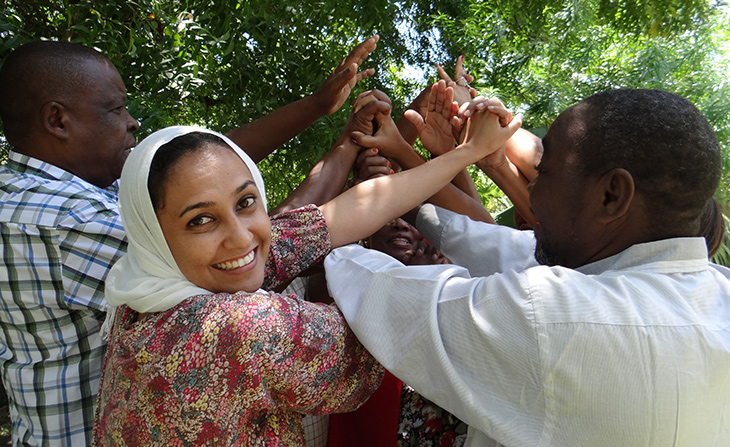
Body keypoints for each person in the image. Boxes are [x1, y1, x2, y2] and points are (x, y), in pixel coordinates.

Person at [0, 36, 377, 446]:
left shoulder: (40, 195)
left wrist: (315, 107)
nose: (132, 121)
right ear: (58, 120)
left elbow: (196, 170)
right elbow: (243, 251)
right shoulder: (67, 222)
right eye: (115, 108)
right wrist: (350, 157)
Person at [92, 105, 520, 445]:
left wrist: (469, 152)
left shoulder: (145, 289)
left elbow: (350, 210)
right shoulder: (231, 328)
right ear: (153, 231)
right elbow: (407, 325)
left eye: (245, 202)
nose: (240, 238)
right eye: (201, 220)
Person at [324, 88, 730, 447]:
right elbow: (494, 243)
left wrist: (296, 234)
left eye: (546, 171)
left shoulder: (558, 321)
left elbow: (377, 287)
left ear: (612, 195)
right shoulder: (715, 294)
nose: (531, 190)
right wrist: (407, 166)